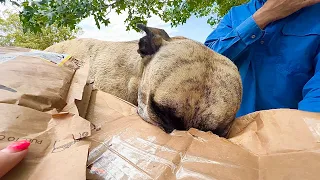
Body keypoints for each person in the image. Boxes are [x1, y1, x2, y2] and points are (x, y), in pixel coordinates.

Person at [204, 0, 320, 117]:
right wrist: (264, 16)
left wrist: (303, 127)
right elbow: (204, 63)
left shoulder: (316, 13)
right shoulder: (235, 14)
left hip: (289, 128)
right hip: (225, 127)